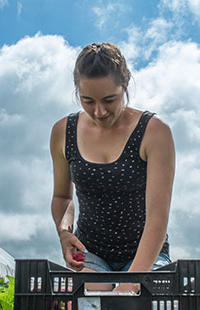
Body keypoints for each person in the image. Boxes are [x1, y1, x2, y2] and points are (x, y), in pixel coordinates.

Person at [50, 42, 175, 289]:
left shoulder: (155, 132)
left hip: (146, 253)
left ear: (125, 85)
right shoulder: (63, 132)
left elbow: (157, 218)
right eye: (87, 101)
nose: (99, 111)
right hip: (90, 252)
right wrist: (64, 232)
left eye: (109, 99)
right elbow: (62, 197)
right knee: (90, 306)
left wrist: (132, 282)